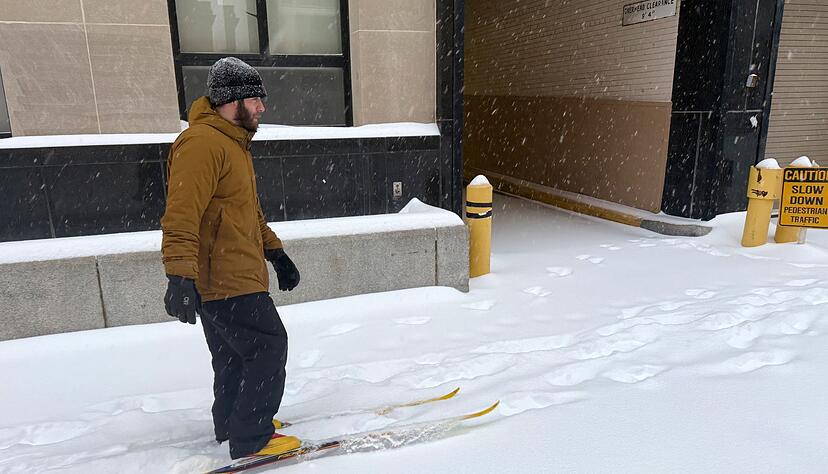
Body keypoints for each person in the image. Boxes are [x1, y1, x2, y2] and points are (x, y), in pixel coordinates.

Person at [160, 57, 301, 460]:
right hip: (225, 277)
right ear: (232, 100)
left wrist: (276, 252)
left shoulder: (232, 143)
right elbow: (181, 213)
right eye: (256, 99)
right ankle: (252, 438)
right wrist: (179, 276)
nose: (262, 108)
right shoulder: (203, 143)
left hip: (231, 274)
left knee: (234, 357)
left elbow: (247, 212)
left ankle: (232, 424)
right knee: (268, 347)